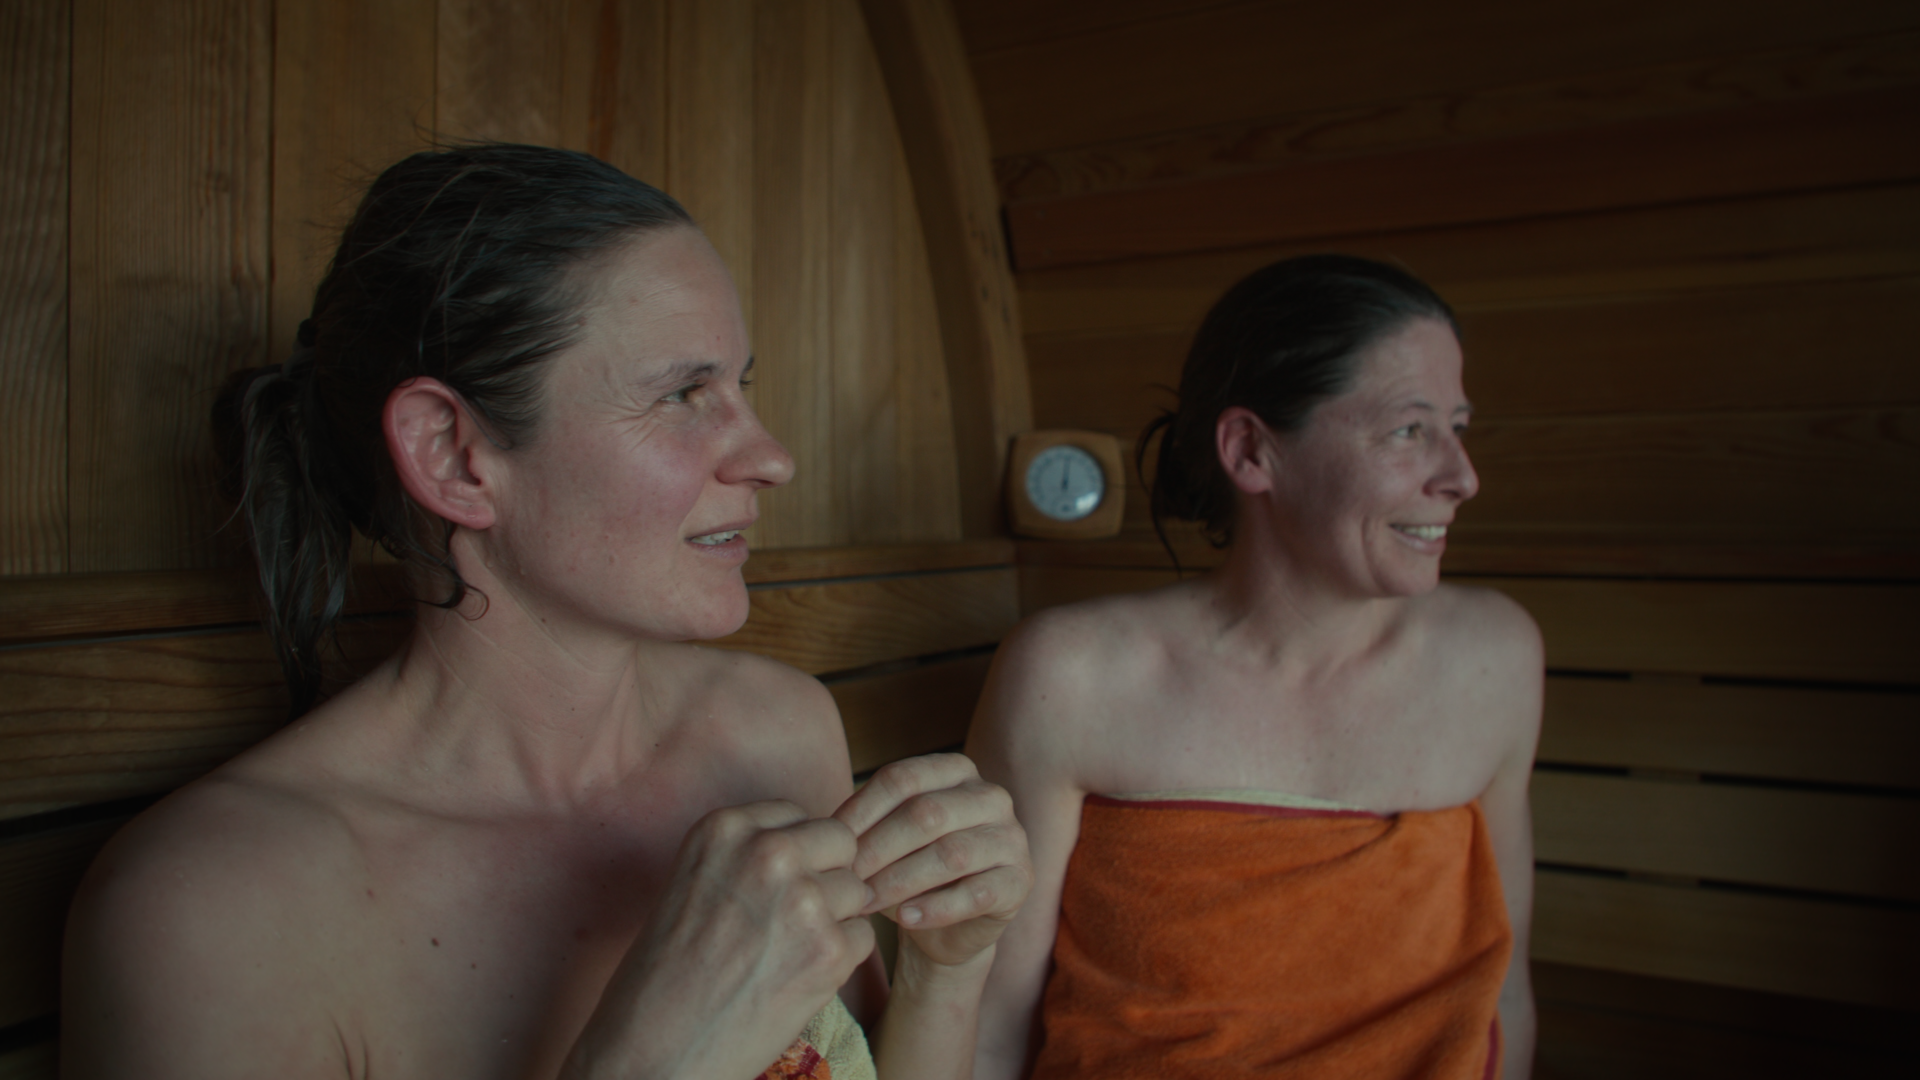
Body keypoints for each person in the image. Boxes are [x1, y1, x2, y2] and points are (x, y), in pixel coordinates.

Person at [61, 143, 1032, 1080]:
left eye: (740, 385)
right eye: (686, 394)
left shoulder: (776, 729)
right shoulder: (214, 911)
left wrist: (950, 970)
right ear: (454, 454)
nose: (771, 456)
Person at [966, 255, 1542, 1079]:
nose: (1462, 476)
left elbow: (1506, 997)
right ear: (1251, 452)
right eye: (1410, 430)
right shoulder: (1074, 678)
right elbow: (993, 1021)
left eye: (1459, 426)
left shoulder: (1494, 661)